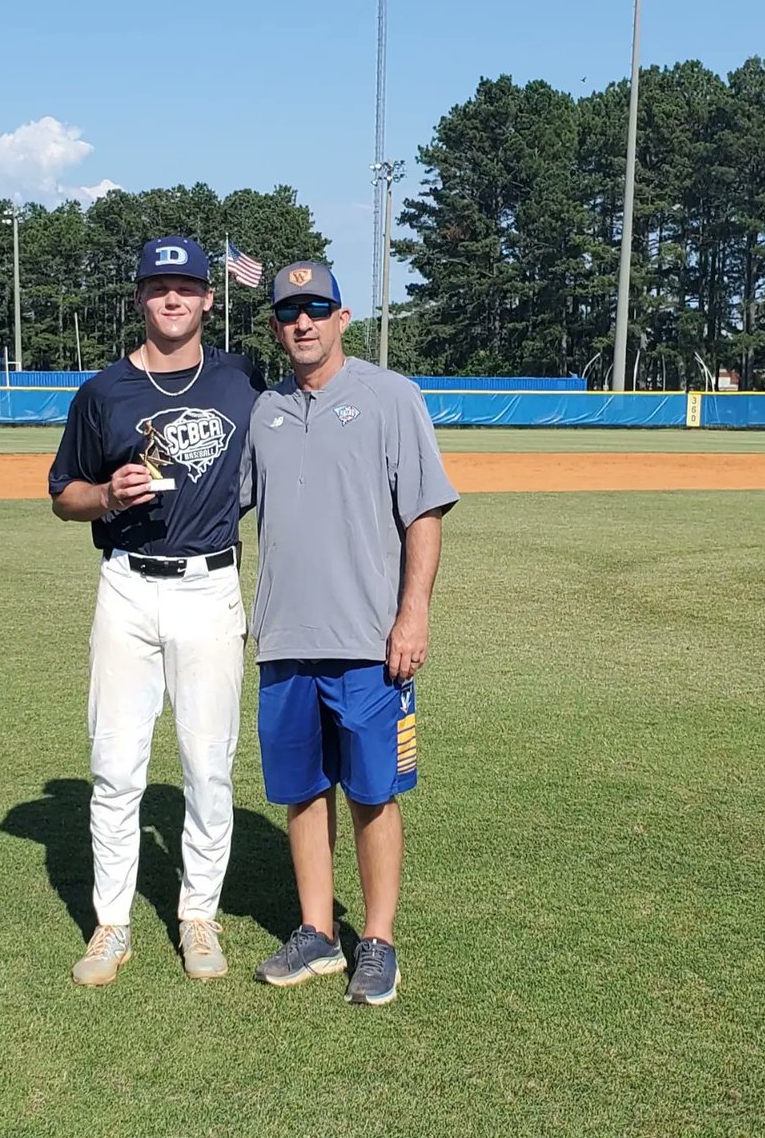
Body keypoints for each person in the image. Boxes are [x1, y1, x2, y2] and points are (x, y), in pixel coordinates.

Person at [48, 235, 265, 986]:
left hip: (211, 585)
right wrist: (106, 496)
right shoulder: (104, 392)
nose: (172, 299)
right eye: (157, 287)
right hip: (127, 586)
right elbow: (62, 495)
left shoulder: (243, 377)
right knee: (115, 766)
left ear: (209, 298)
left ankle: (197, 916)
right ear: (139, 298)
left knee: (208, 766)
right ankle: (111, 927)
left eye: (186, 287)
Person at [243, 261, 459, 1006]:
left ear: (342, 318)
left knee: (373, 794)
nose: (302, 322)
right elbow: (227, 505)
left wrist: (414, 613)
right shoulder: (262, 410)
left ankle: (379, 940)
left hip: (370, 641)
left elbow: (423, 514)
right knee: (302, 793)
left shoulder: (390, 397)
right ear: (275, 327)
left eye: (316, 308)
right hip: (284, 638)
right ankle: (316, 934)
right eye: (288, 312)